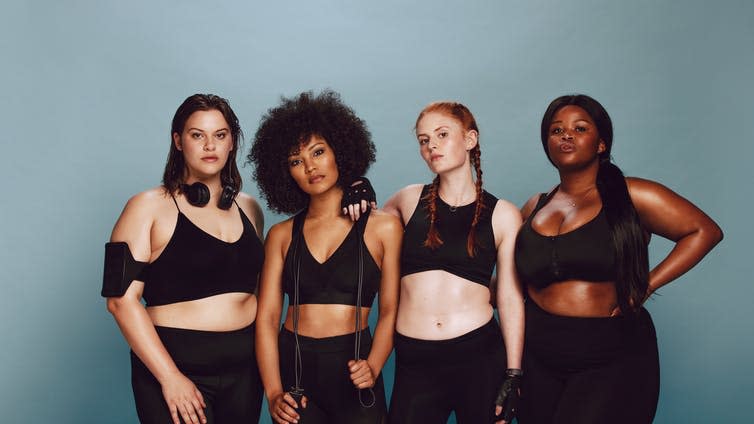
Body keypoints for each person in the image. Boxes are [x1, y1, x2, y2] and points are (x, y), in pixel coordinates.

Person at [515, 94, 723, 423]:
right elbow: (513, 283)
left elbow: (703, 231)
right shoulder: (533, 206)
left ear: (601, 144)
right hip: (538, 354)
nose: (566, 135)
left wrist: (646, 285)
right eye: (556, 131)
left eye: (579, 128)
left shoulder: (631, 195)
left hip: (608, 353)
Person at [102, 94, 265, 424]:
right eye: (197, 135)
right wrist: (169, 377)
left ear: (232, 141)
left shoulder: (250, 209)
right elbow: (120, 302)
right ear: (178, 141)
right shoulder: (146, 206)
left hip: (245, 373)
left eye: (220, 135)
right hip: (176, 371)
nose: (210, 146)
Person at [249, 90, 402, 424]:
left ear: (339, 152)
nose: (310, 166)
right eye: (295, 160)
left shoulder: (384, 228)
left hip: (355, 369)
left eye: (318, 151)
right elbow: (266, 319)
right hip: (295, 372)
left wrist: (374, 365)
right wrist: (274, 392)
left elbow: (391, 311)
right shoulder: (280, 235)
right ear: (284, 172)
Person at [380, 101, 525, 423]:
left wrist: (514, 372)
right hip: (414, 359)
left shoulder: (503, 214)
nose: (431, 145)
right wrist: (356, 192)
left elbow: (511, 296)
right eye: (423, 139)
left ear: (470, 139)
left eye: (442, 134)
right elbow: (361, 232)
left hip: (478, 356)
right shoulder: (407, 199)